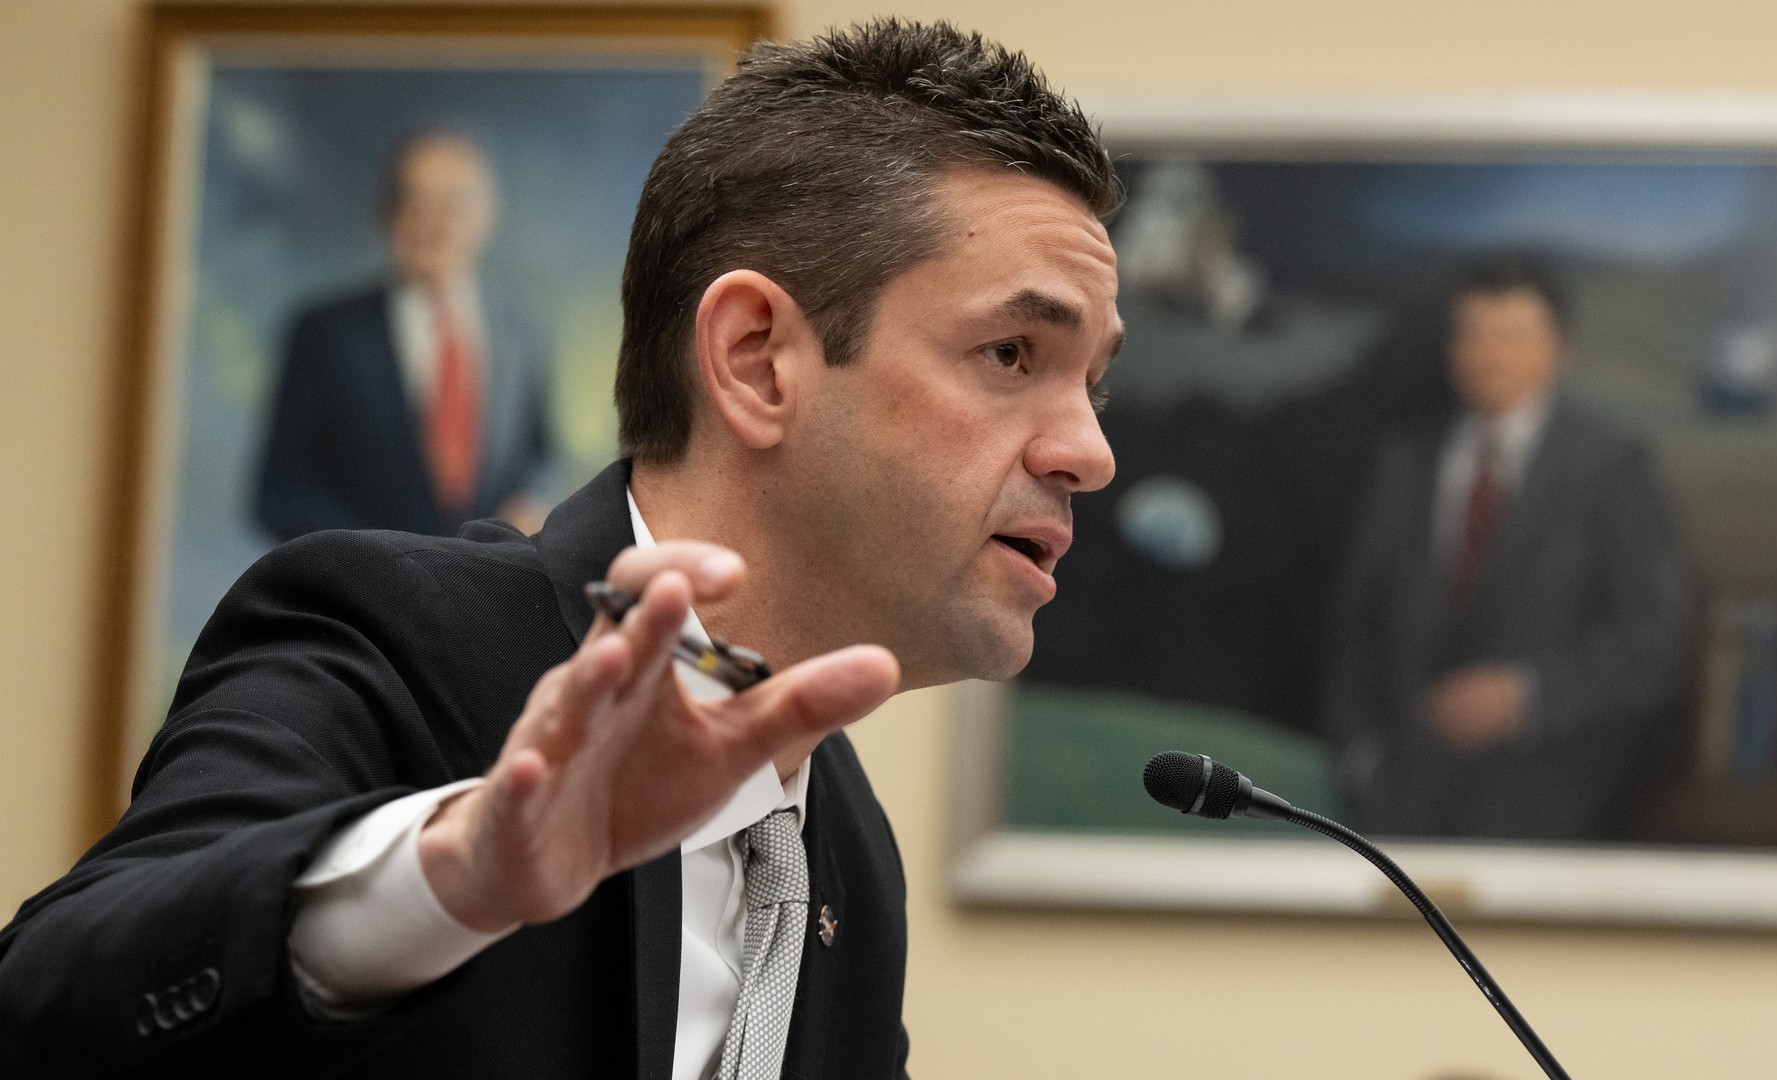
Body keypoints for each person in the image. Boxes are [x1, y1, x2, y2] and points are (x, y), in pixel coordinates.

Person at [0, 21, 1122, 1079]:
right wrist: (453, 875)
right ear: (755, 360)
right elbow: (44, 1001)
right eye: (1012, 353)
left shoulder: (848, 851)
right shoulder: (392, 634)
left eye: (1096, 384)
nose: (1090, 452)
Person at [1320, 254, 1691, 841]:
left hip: (1554, 807)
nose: (1488, 355)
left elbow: (1653, 643)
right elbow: (1356, 623)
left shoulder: (1614, 469)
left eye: (1513, 337)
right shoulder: (1406, 461)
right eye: (1472, 334)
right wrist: (1360, 757)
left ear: (1560, 350)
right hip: (1402, 805)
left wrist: (1527, 698)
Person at [253, 131, 553, 542]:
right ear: (387, 212)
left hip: (486, 576)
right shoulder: (325, 334)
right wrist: (369, 562)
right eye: (416, 200)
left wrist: (528, 503)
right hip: (360, 580)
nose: (435, 223)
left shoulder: (518, 332)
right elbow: (280, 493)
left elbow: (538, 457)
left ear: (487, 213)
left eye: (453, 203)